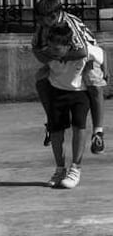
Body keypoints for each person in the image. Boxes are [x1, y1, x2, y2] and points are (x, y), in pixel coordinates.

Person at [32, 0, 107, 154]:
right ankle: (51, 121)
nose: (39, 22)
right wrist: (49, 59)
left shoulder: (71, 24)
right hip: (58, 57)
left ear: (53, 16)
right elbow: (36, 48)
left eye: (41, 18)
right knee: (41, 80)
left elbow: (83, 51)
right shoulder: (43, 26)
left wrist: (61, 57)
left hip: (82, 59)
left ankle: (98, 132)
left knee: (93, 82)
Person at [44, 24, 104, 189]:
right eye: (51, 48)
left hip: (79, 93)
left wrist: (105, 71)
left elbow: (101, 54)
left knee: (79, 127)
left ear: (69, 47)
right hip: (57, 92)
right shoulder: (48, 54)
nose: (53, 52)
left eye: (57, 49)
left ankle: (75, 168)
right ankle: (59, 169)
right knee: (56, 132)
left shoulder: (83, 52)